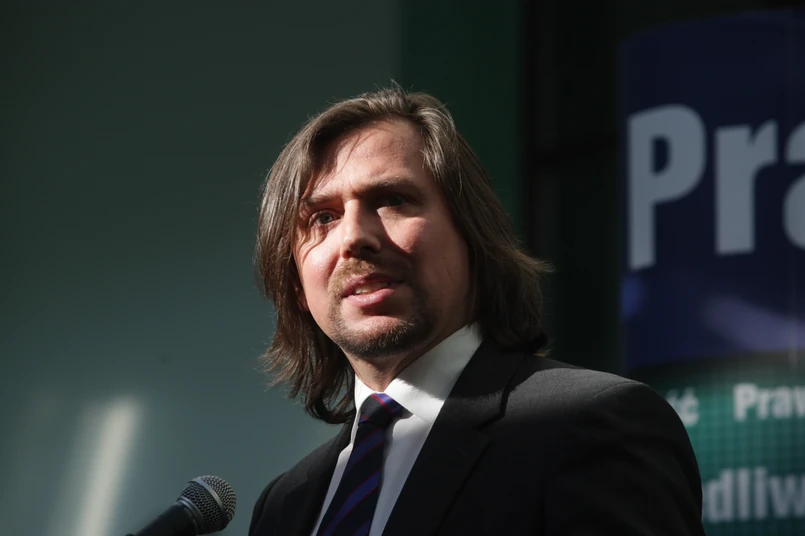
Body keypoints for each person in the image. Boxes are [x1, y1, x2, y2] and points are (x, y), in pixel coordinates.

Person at [249, 87, 705, 535]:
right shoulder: (284, 506)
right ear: (297, 283)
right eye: (322, 218)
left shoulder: (593, 425)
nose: (353, 237)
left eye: (392, 199)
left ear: (473, 234)